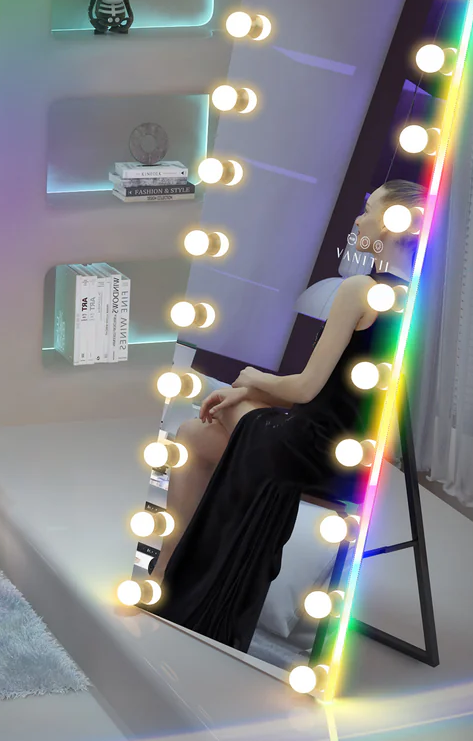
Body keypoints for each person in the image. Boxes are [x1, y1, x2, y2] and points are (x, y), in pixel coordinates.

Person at [153, 180, 426, 650]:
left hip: (307, 448)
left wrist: (250, 379)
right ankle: (168, 569)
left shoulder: (360, 289)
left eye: (368, 210)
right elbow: (339, 398)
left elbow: (305, 387)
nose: (358, 219)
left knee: (206, 420)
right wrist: (251, 392)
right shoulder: (410, 301)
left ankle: (167, 577)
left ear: (390, 225)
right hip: (347, 456)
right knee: (195, 434)